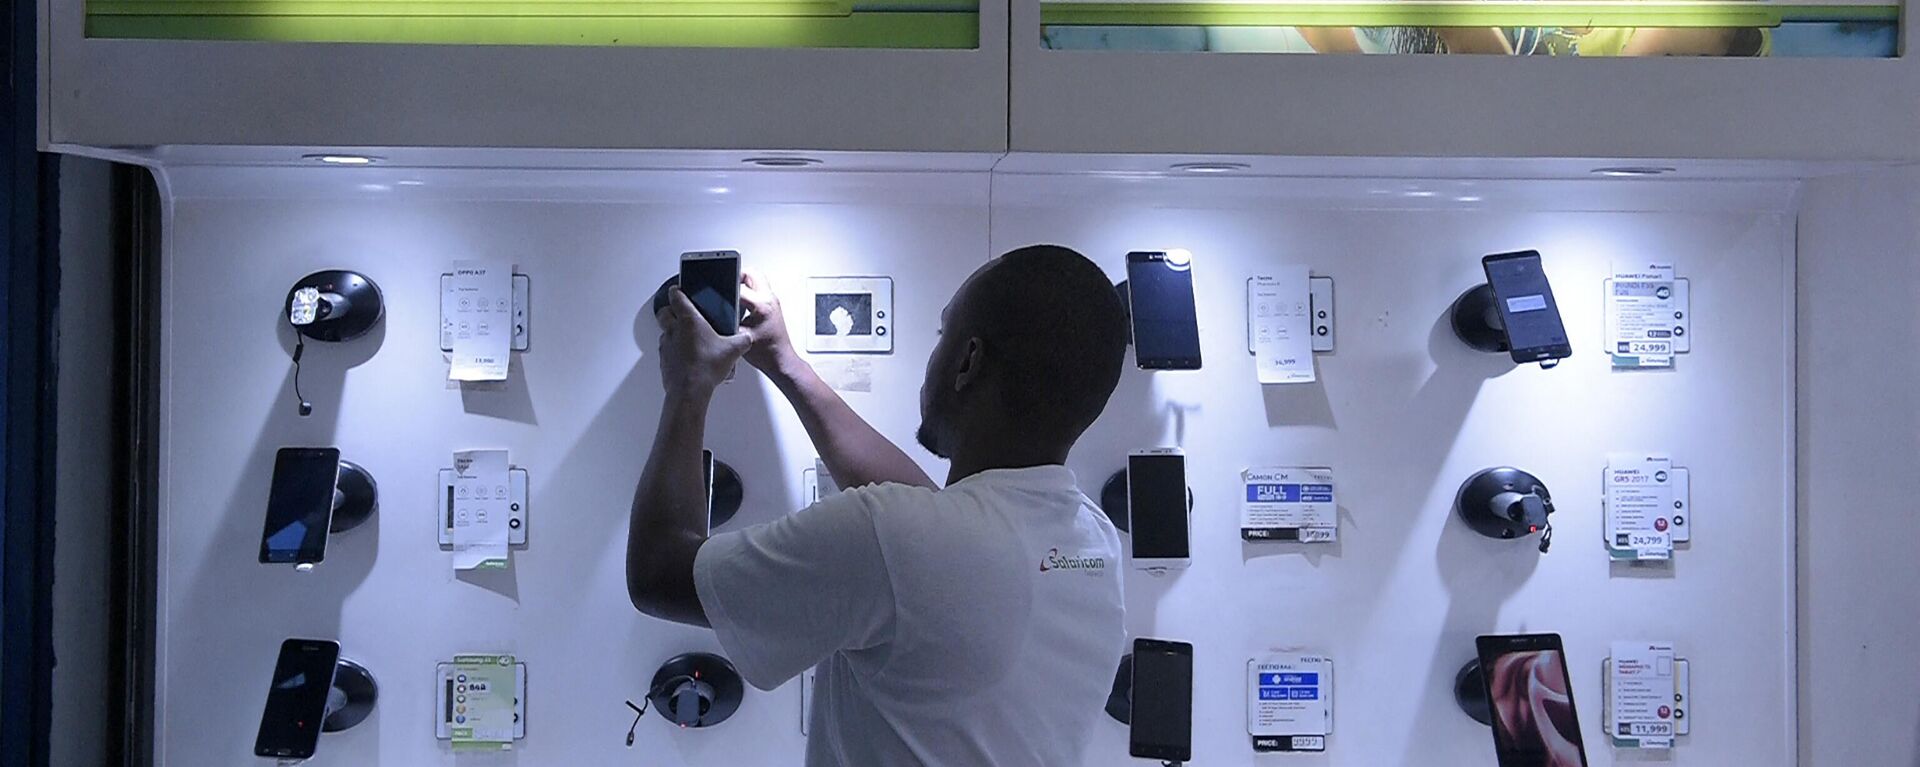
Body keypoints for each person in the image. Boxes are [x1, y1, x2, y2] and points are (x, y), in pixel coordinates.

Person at [626, 245, 1131, 766]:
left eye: (943, 335)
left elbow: (658, 572)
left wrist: (688, 386)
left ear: (968, 361)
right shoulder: (1092, 542)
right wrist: (786, 364)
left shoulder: (904, 541)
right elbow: (928, 526)